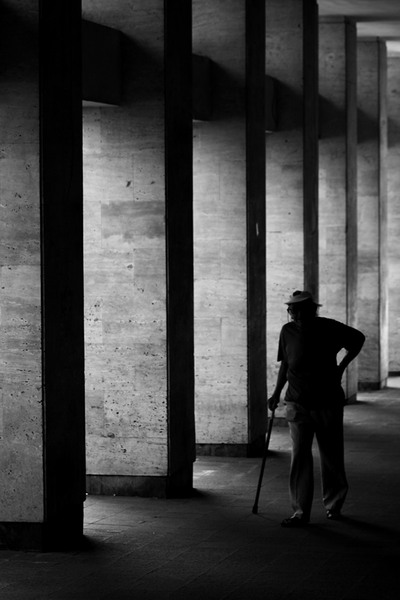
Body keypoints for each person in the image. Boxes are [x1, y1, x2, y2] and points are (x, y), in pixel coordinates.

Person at [268, 290, 365, 528]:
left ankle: (334, 505)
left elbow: (358, 339)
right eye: (291, 309)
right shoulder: (287, 331)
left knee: (331, 455)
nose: (293, 313)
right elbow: (286, 365)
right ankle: (300, 511)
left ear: (310, 309)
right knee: (300, 457)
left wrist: (341, 367)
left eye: (297, 309)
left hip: (327, 401)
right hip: (296, 401)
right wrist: (276, 393)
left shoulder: (329, 327)